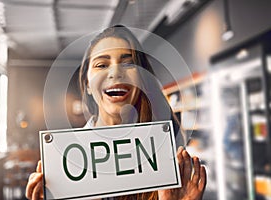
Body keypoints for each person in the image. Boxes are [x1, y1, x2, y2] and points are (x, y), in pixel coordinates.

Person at [26, 25, 207, 200]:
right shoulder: (67, 162)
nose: (115, 72)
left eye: (128, 63)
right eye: (102, 65)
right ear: (88, 84)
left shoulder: (169, 153)